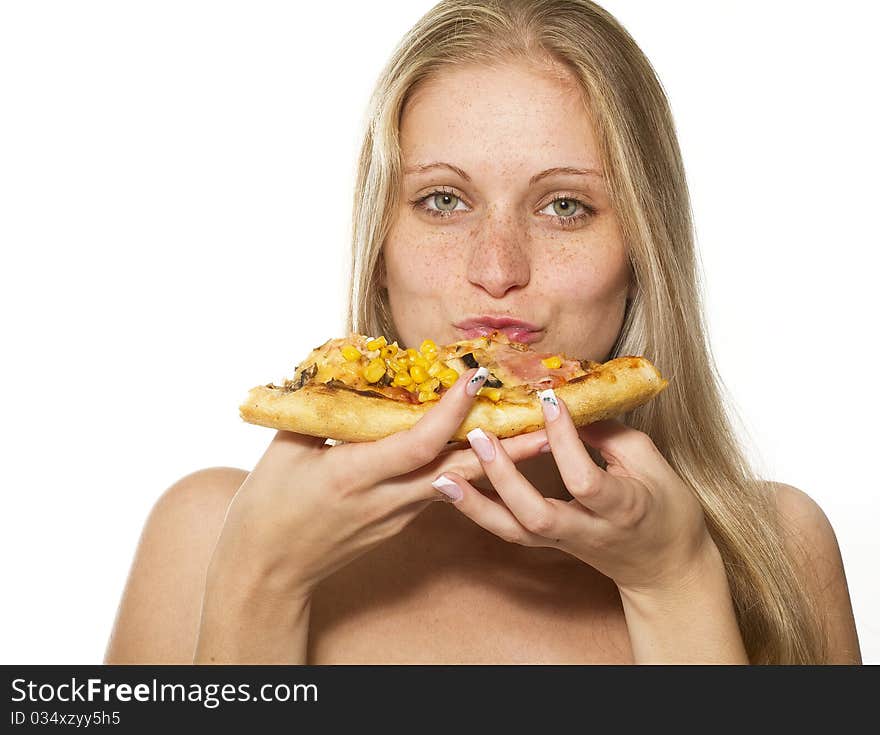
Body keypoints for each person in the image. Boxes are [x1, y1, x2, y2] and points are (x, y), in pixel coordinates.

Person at [104, 0, 861, 664]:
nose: (497, 268)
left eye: (564, 206)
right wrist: (259, 581)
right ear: (379, 254)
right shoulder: (204, 537)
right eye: (442, 199)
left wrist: (674, 580)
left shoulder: (784, 552)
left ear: (641, 255)